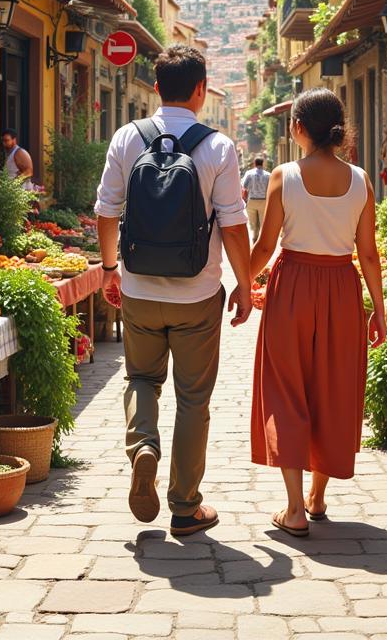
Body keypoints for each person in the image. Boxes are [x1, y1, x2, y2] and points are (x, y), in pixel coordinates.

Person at [95, 44, 252, 537]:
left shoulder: (126, 137)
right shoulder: (219, 147)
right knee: (193, 399)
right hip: (198, 292)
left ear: (156, 87)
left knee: (141, 379)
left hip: (139, 287)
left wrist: (108, 269)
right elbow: (233, 225)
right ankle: (185, 507)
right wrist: (244, 285)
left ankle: (144, 446)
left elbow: (105, 211)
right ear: (202, 91)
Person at [249, 87, 386, 538]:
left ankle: (294, 509)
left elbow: (266, 247)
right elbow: (368, 255)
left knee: (286, 388)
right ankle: (318, 497)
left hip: (291, 289)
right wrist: (379, 311)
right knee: (333, 386)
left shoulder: (283, 176)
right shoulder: (362, 180)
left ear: (298, 128)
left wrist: (241, 283)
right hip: (342, 290)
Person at [241, 157, 271, 240]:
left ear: (254, 163)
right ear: (263, 163)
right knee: (263, 223)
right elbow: (271, 189)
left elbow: (244, 187)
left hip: (252, 200)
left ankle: (255, 239)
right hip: (264, 201)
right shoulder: (268, 175)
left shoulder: (249, 173)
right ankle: (262, 239)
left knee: (253, 223)